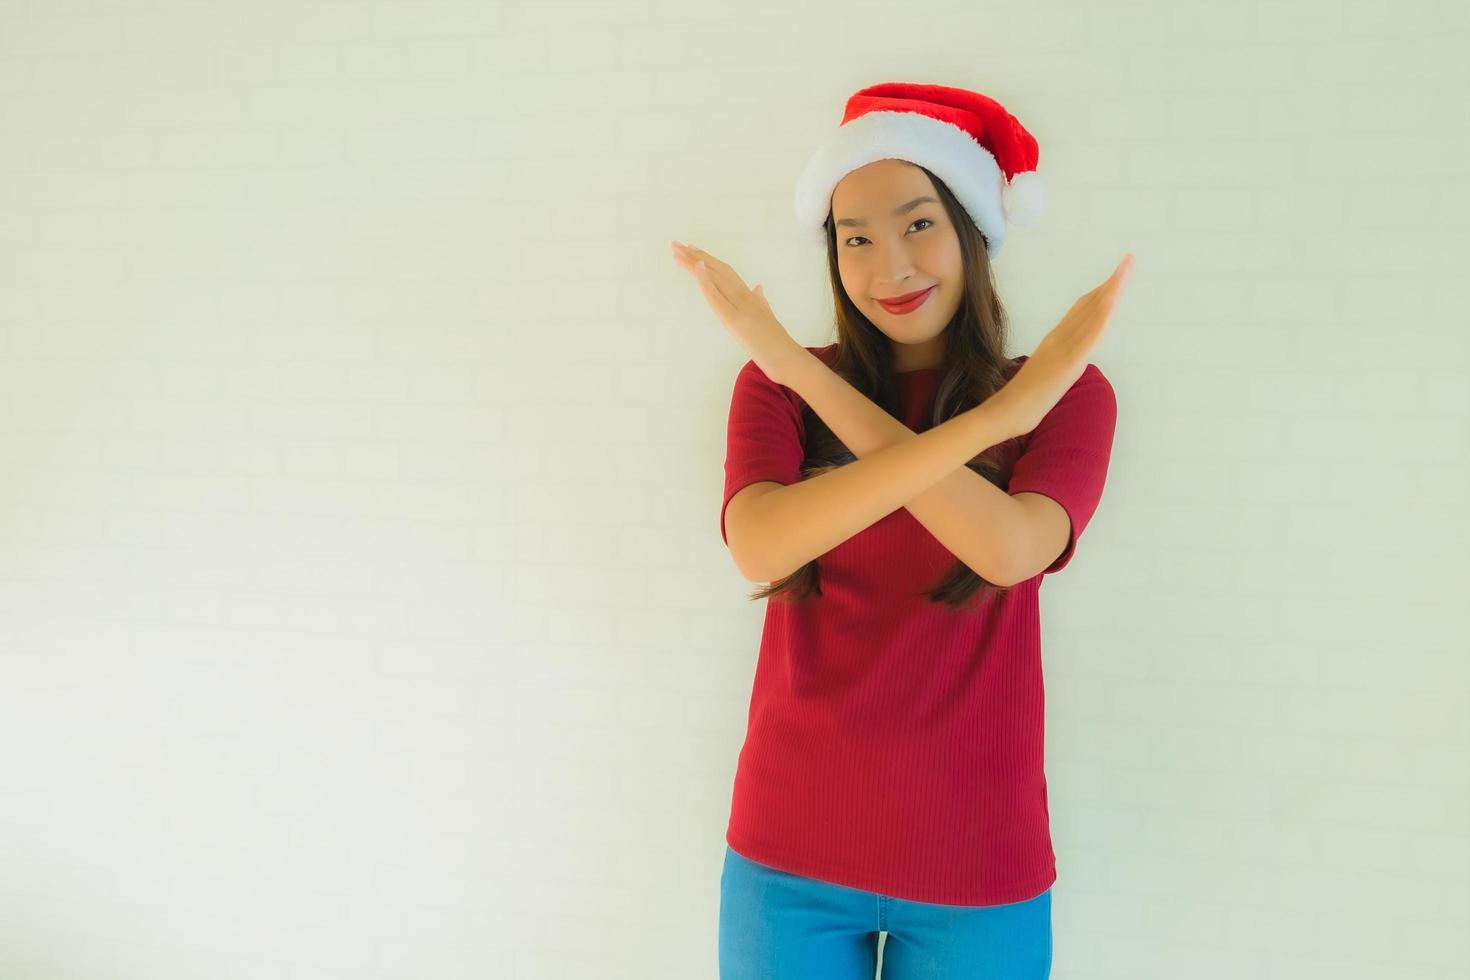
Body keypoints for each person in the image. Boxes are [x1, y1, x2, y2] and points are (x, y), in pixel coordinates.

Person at [671, 81, 1131, 979]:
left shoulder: (1065, 396)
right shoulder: (778, 386)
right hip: (786, 852)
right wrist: (994, 422)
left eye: (920, 224)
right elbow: (761, 546)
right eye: (857, 238)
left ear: (971, 231)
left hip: (978, 863)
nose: (892, 268)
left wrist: (1007, 411)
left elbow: (1006, 549)